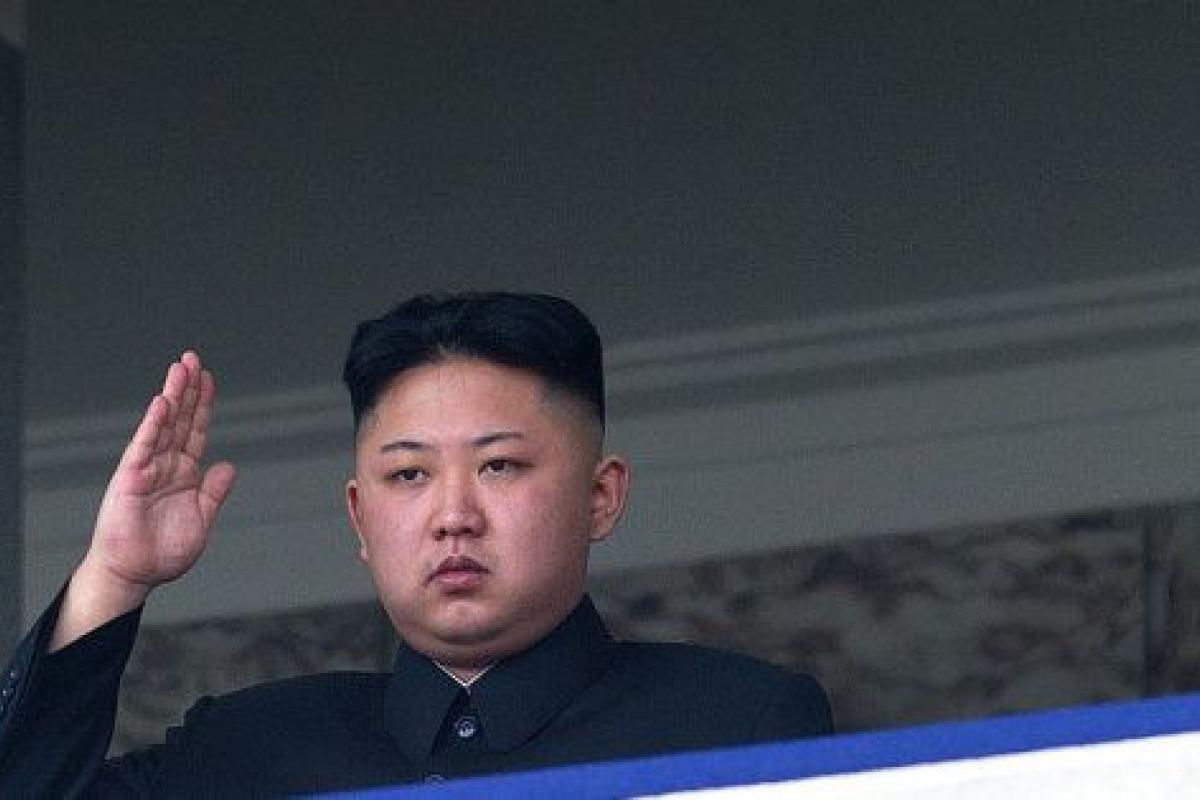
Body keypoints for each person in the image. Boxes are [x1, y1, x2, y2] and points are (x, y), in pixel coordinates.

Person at [0, 292, 832, 796]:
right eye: (408, 475)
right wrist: (114, 577)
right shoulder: (247, 749)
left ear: (601, 497)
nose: (453, 515)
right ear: (360, 518)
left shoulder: (736, 723)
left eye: (499, 465)